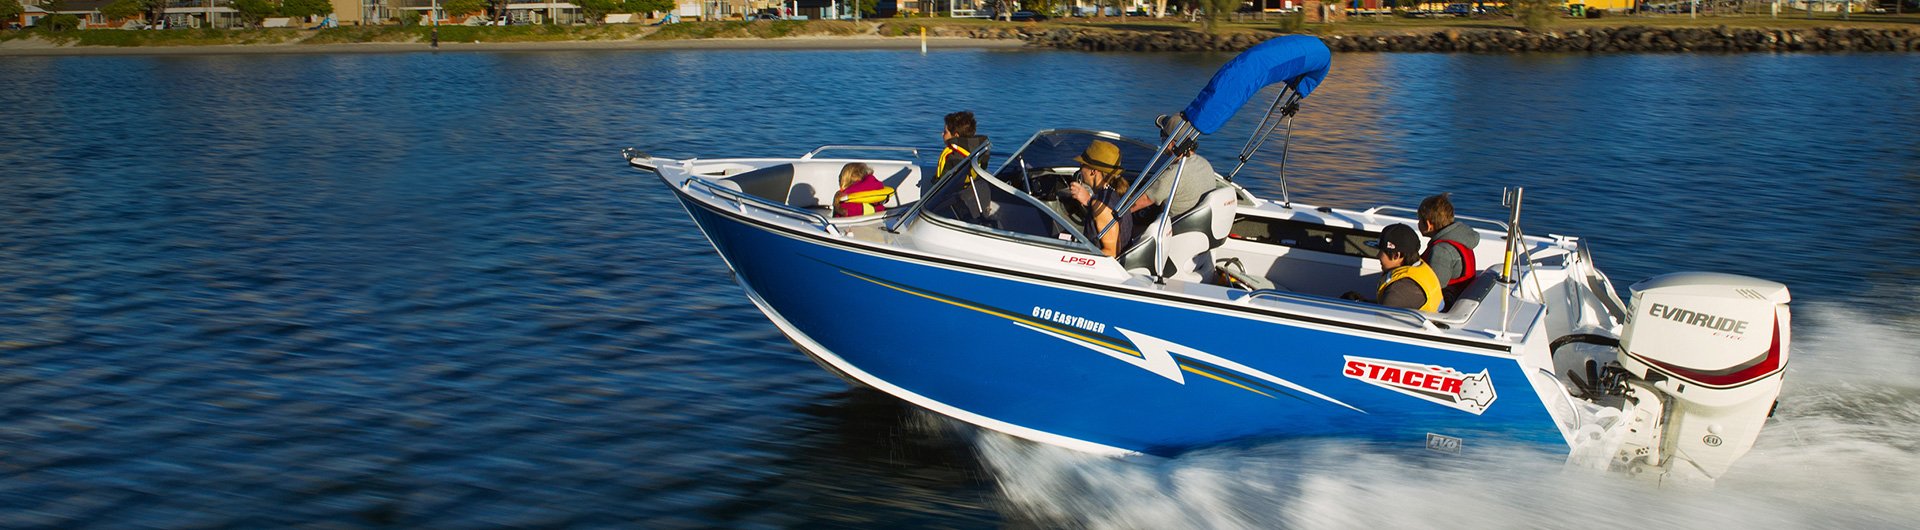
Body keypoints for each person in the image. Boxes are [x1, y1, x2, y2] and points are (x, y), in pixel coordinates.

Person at [1134, 113, 1217, 219]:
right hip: (1196, 224)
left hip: (1173, 229)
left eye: (1162, 135)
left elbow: (1138, 203)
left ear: (1170, 143)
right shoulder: (1204, 164)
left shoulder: (1173, 174)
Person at [1343, 224, 1442, 312]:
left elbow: (1380, 324)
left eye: (1381, 251)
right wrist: (1362, 302)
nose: (1378, 256)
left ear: (1396, 256)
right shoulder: (1419, 267)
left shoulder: (1399, 291)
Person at [1068, 140, 1132, 258]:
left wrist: (1076, 257)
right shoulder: (1116, 195)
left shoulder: (1101, 205)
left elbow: (1111, 252)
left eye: (1082, 165)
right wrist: (1089, 201)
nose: (1080, 169)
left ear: (1093, 171)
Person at [1418, 193, 1480, 305]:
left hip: (1448, 304)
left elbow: (1434, 287)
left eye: (1419, 220)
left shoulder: (1441, 251)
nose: (1418, 223)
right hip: (1460, 296)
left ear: (1428, 224)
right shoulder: (1461, 239)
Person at [937, 111, 990, 180]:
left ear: (956, 135)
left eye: (945, 132)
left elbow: (944, 183)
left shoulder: (953, 156)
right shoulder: (980, 150)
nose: (942, 134)